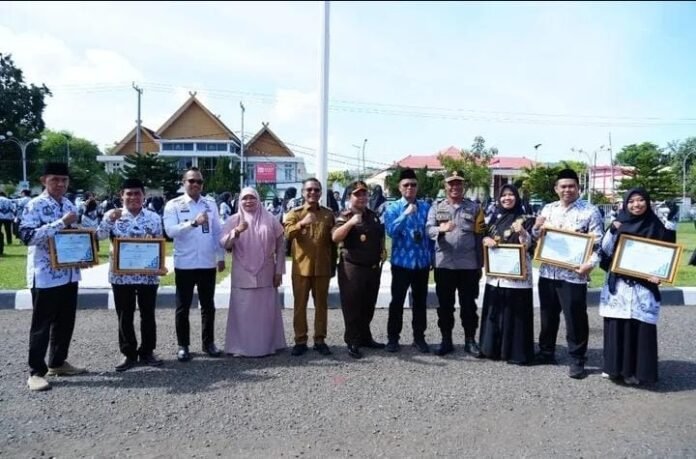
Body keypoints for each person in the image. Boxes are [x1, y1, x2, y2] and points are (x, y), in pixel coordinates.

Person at [531, 168, 604, 379]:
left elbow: (599, 243)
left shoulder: (590, 211)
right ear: (556, 189)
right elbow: (537, 236)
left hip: (573, 275)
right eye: (563, 186)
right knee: (547, 315)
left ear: (578, 188)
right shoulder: (548, 209)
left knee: (575, 318)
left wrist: (590, 265)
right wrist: (536, 228)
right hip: (548, 272)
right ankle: (546, 352)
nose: (567, 190)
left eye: (572, 186)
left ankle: (577, 358)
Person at [20, 162, 87, 391]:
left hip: (69, 273)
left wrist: (84, 250)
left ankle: (57, 362)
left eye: (64, 180)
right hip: (45, 275)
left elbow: (75, 233)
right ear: (43, 181)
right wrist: (61, 223)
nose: (60, 184)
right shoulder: (34, 205)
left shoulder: (68, 204)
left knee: (65, 322)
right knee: (42, 325)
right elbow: (28, 237)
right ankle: (36, 372)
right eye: (54, 180)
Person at [598, 188, 676, 385]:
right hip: (620, 286)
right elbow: (604, 251)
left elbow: (666, 253)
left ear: (647, 202)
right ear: (626, 204)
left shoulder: (656, 225)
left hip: (643, 287)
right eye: (631, 201)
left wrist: (660, 274)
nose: (636, 204)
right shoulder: (619, 223)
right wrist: (612, 230)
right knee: (617, 326)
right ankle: (614, 368)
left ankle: (636, 371)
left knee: (639, 327)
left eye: (641, 200)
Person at [163, 167, 226, 362]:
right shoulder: (174, 205)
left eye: (199, 181)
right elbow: (170, 231)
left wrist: (220, 256)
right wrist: (193, 223)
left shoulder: (210, 204)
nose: (195, 184)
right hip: (185, 263)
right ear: (183, 183)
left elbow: (217, 231)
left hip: (207, 262)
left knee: (208, 306)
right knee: (183, 307)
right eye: (191, 181)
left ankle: (209, 343)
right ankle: (183, 345)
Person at [220, 187, 286, 357]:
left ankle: (267, 346)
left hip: (266, 273)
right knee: (243, 313)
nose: (248, 201)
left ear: (258, 200)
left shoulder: (270, 219)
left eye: (252, 198)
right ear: (239, 201)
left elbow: (281, 246)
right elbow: (224, 244)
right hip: (242, 274)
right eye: (245, 198)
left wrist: (279, 271)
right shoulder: (233, 220)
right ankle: (240, 347)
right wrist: (236, 231)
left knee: (265, 314)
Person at [426, 171, 485, 356]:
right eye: (451, 184)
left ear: (463, 186)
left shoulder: (474, 208)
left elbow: (480, 235)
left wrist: (480, 264)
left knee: (469, 305)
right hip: (444, 264)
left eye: (458, 183)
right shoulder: (437, 207)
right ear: (445, 186)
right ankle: (446, 340)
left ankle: (470, 340)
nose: (455, 187)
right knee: (445, 306)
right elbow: (428, 229)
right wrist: (440, 229)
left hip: (468, 265)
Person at [478, 184, 535, 365]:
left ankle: (515, 352)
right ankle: (491, 349)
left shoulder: (526, 218)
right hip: (496, 276)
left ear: (517, 198)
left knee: (515, 313)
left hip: (517, 276)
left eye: (511, 195)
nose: (507, 198)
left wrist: (522, 232)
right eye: (503, 195)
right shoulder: (493, 218)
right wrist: (485, 239)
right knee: (495, 310)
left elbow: (530, 244)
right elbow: (484, 236)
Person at [332, 180, 386, 359]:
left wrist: (382, 250)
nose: (362, 197)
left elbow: (379, 235)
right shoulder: (345, 215)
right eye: (357, 194)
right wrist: (350, 223)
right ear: (349, 197)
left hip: (372, 267)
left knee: (368, 305)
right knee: (352, 306)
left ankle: (365, 336)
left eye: (364, 194)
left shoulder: (372, 215)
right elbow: (335, 237)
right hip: (352, 268)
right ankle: (352, 340)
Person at [283, 178, 336, 356]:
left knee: (321, 305)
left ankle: (320, 340)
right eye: (309, 190)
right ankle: (300, 340)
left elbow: (333, 243)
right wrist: (302, 223)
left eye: (316, 190)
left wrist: (333, 266)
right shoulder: (295, 213)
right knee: (300, 306)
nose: (313, 193)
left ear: (321, 193)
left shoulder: (328, 214)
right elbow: (287, 234)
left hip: (322, 267)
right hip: (301, 268)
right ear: (303, 193)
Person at [383, 168, 433, 353]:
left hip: (421, 263)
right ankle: (393, 339)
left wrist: (431, 258)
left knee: (420, 303)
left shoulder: (426, 207)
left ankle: (419, 338)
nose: (410, 188)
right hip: (402, 263)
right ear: (400, 187)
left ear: (417, 187)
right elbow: (391, 231)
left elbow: (430, 235)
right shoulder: (393, 208)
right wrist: (405, 215)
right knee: (397, 302)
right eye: (406, 185)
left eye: (413, 184)